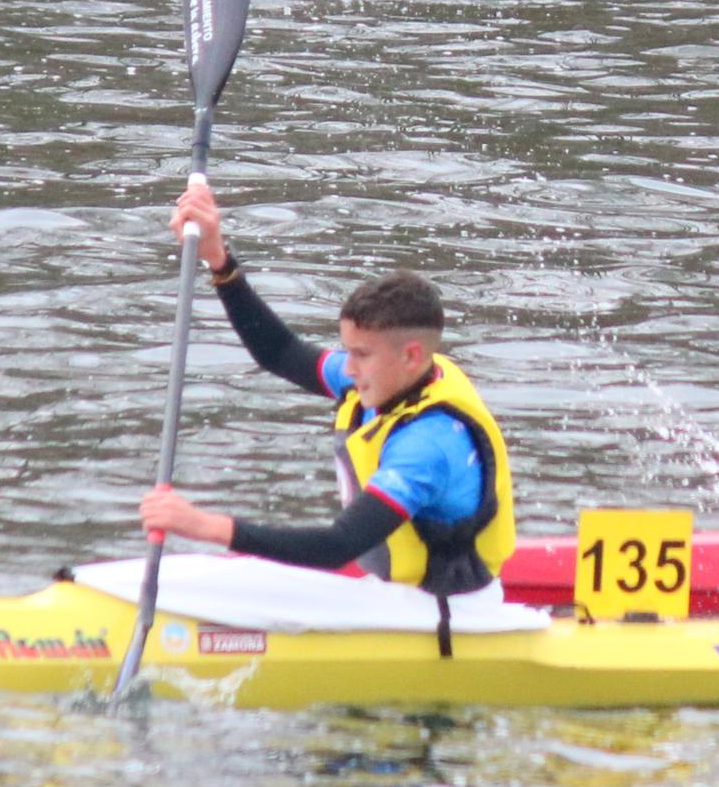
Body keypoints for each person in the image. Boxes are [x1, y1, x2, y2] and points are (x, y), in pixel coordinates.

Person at [133, 178, 514, 596]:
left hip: (439, 616)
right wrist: (220, 262)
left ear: (410, 355)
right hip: (396, 593)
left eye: (361, 354)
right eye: (347, 351)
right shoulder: (396, 376)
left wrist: (201, 525)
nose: (347, 369)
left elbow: (337, 547)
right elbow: (280, 352)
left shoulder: (427, 446)